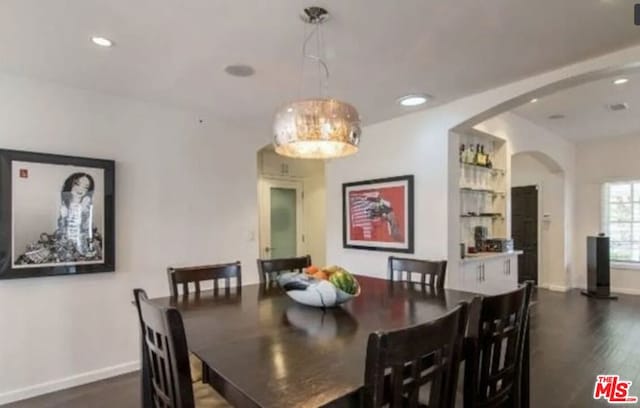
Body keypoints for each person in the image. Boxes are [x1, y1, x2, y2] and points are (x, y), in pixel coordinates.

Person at [57, 173, 95, 256]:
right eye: (77, 184)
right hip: (66, 246)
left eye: (85, 187)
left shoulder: (87, 206)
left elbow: (87, 229)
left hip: (82, 245)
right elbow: (61, 229)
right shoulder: (64, 205)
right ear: (70, 184)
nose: (80, 189)